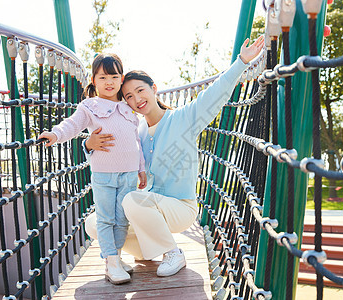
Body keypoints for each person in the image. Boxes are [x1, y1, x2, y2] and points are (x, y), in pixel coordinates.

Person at [84, 36, 265, 277]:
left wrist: (242, 61)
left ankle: (172, 253)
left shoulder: (183, 119)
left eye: (140, 90)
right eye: (128, 96)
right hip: (148, 209)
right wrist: (88, 144)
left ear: (153, 89)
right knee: (94, 222)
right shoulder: (134, 130)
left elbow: (216, 94)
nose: (136, 99)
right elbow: (109, 158)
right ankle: (125, 256)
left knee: (130, 200)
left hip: (180, 208)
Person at [38, 53, 146, 285]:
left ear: (121, 78)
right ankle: (110, 262)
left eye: (114, 76)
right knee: (106, 219)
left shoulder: (128, 107)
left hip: (128, 175)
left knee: (122, 219)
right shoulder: (89, 106)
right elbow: (73, 125)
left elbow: (135, 141)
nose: (109, 82)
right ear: (94, 80)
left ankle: (115, 257)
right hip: (104, 174)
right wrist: (56, 134)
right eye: (103, 77)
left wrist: (141, 169)